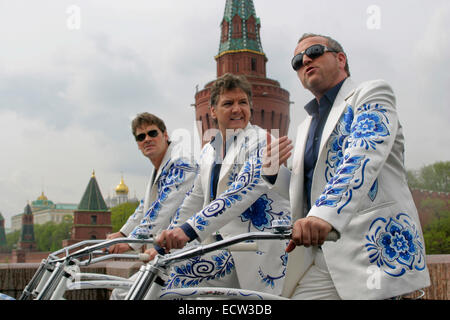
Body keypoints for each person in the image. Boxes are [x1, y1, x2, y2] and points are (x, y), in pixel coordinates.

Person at [263, 33, 430, 299]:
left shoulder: (371, 93)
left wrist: (323, 217)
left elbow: (363, 155)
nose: (305, 60)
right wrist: (272, 172)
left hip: (372, 254)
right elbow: (305, 190)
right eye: (296, 61)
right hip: (321, 257)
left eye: (315, 51)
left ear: (340, 59)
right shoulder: (306, 126)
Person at [153, 73, 291, 295]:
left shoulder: (264, 141)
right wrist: (169, 237)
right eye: (228, 103)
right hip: (216, 246)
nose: (237, 109)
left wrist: (188, 230)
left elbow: (242, 189)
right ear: (213, 111)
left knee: (173, 278)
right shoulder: (209, 150)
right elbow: (194, 199)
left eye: (243, 102)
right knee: (155, 275)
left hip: (250, 250)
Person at [107, 112, 198, 299]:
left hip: (191, 251)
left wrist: (130, 242)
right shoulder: (160, 167)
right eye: (141, 137)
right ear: (138, 145)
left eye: (152, 133)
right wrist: (123, 233)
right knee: (122, 292)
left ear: (165, 135)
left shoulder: (181, 161)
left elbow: (163, 206)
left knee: (126, 294)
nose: (147, 139)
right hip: (170, 252)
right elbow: (146, 207)